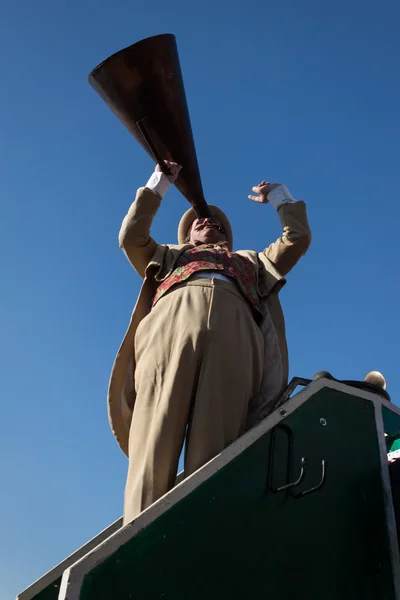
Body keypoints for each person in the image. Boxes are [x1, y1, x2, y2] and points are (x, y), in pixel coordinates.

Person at [108, 161, 311, 524]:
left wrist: (279, 196)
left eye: (216, 223)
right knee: (154, 442)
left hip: (235, 342)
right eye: (200, 222)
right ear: (187, 236)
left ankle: (202, 538)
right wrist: (160, 184)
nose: (208, 222)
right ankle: (136, 541)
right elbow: (131, 236)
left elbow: (296, 239)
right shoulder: (168, 256)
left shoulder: (253, 261)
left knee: (216, 454)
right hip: (168, 336)